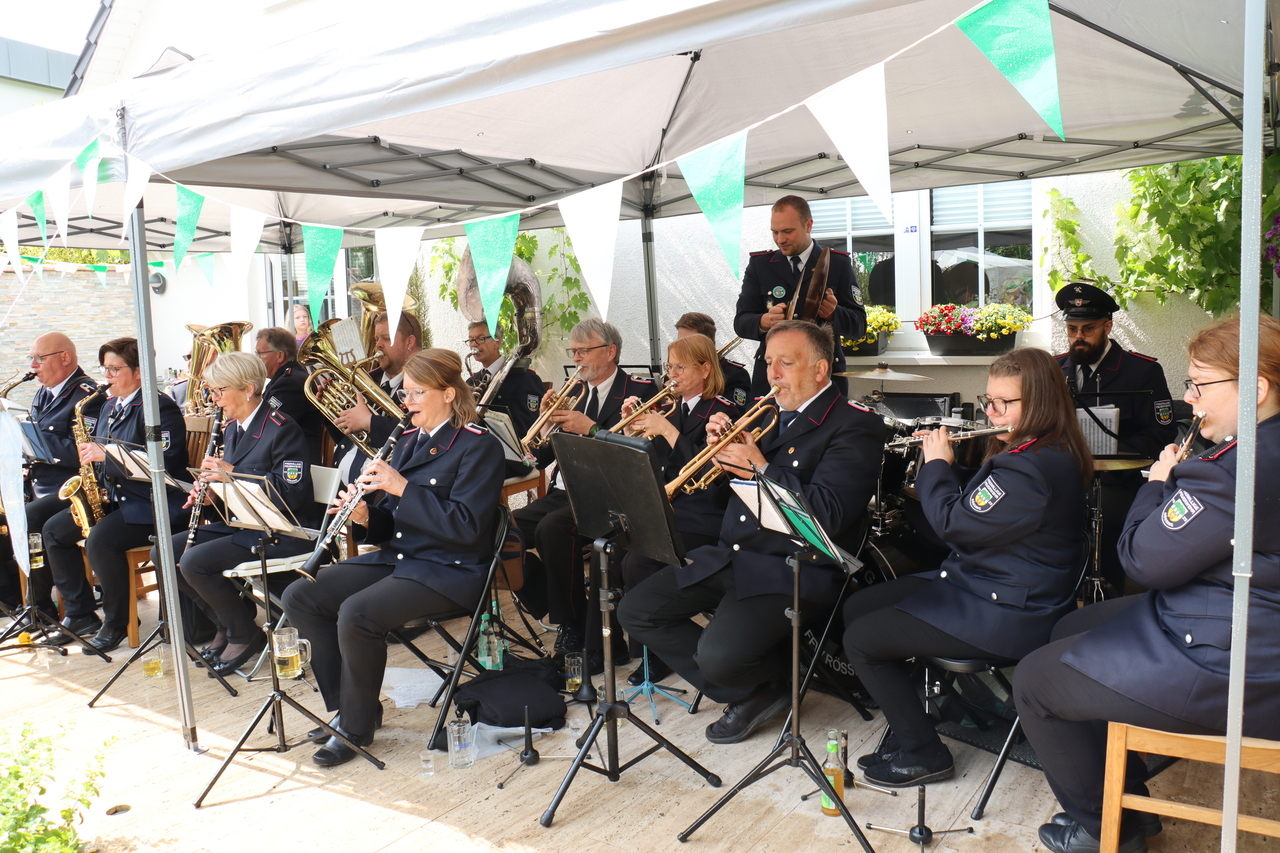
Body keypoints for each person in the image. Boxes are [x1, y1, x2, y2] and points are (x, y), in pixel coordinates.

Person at [1014, 316, 1280, 853]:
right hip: (1244, 618)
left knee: (1034, 681)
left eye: (1198, 385)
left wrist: (1158, 484)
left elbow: (1141, 560)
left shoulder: (1232, 472)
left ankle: (1108, 829)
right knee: (1070, 627)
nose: (1189, 399)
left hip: (1234, 662)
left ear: (1255, 389)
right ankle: (1120, 789)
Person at [619, 320, 883, 744]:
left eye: (785, 363)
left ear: (820, 369)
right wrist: (720, 455)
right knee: (636, 611)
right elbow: (722, 492)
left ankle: (765, 679)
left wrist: (759, 466)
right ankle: (760, 689)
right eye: (768, 362)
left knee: (717, 658)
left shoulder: (854, 425)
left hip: (794, 569)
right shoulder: (767, 411)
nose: (772, 373)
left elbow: (829, 516)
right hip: (735, 555)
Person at [842, 347, 1092, 787]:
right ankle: (919, 714)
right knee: (859, 607)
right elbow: (986, 502)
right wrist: (948, 470)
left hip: (1008, 610)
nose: (991, 412)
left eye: (1003, 403)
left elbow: (953, 526)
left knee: (860, 640)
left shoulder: (1029, 467)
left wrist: (936, 466)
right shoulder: (1044, 450)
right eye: (988, 400)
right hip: (985, 583)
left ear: (1039, 403)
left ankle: (924, 753)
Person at [282, 349, 504, 767]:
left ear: (449, 394)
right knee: (300, 596)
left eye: (418, 393)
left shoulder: (478, 446)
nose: (407, 401)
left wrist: (402, 488)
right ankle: (350, 708)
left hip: (449, 570)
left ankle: (355, 729)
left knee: (357, 613)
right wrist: (366, 516)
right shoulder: (406, 441)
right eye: (406, 393)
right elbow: (391, 524)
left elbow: (468, 527)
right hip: (401, 558)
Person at [151, 352, 317, 677]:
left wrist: (232, 475)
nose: (214, 399)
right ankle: (227, 622)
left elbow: (292, 495)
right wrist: (212, 495)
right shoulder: (232, 428)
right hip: (244, 524)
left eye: (220, 390)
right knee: (164, 552)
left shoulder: (282, 428)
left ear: (249, 389)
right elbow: (234, 495)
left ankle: (243, 633)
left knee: (193, 562)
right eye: (212, 391)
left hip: (282, 530)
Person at [512, 318, 654, 670]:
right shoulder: (575, 391)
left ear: (610, 352)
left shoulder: (639, 391)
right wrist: (546, 425)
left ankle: (571, 625)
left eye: (583, 351)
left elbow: (636, 456)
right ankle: (558, 604)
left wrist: (591, 429)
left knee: (552, 529)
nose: (576, 358)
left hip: (606, 494)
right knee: (501, 531)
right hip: (565, 491)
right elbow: (542, 458)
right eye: (573, 351)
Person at [43, 337, 189, 654]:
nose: (107, 376)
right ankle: (80, 614)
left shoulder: (158, 406)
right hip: (119, 498)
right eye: (104, 369)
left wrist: (106, 454)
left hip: (151, 504)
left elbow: (163, 462)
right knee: (53, 531)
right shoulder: (110, 405)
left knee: (101, 540)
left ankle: (118, 622)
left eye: (114, 369)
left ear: (139, 371)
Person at [617, 333, 736, 686]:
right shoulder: (674, 408)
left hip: (705, 516)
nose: (672, 375)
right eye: (669, 367)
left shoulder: (723, 410)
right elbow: (654, 464)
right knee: (609, 548)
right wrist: (635, 430)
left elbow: (709, 473)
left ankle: (654, 655)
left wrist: (666, 430)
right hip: (671, 507)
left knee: (638, 561)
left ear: (705, 369)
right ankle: (618, 646)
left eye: (680, 367)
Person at [1054, 282, 1178, 595]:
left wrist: (1108, 451)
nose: (1079, 337)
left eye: (1088, 329)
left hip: (1116, 479)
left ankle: (1106, 597)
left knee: (1106, 516)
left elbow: (1161, 433)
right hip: (1063, 474)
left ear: (1107, 327)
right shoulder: (1054, 369)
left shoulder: (1143, 371)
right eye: (1072, 329)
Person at [733, 195, 866, 399]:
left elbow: (859, 326)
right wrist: (765, 321)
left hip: (821, 377)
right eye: (775, 232)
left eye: (788, 231)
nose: (780, 239)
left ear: (808, 225)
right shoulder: (760, 265)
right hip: (773, 377)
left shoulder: (837, 264)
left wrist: (834, 314)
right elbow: (741, 322)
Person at [14, 333, 105, 619]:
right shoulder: (44, 391)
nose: (33, 365)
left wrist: (34, 443)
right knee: (13, 517)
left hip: (74, 487)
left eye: (39, 358)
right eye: (31, 358)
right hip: (43, 484)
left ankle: (48, 607)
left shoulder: (89, 395)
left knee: (33, 519)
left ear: (65, 358)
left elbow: (90, 451)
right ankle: (31, 602)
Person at [464, 319, 545, 469]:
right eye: (471, 340)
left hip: (509, 459)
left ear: (497, 341)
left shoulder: (524, 379)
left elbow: (525, 429)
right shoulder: (471, 382)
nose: (474, 344)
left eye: (481, 339)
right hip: (476, 454)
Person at [254, 327, 326, 465]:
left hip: (293, 462)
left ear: (280, 356)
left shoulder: (289, 383)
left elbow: (266, 425)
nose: (257, 359)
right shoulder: (286, 378)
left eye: (260, 354)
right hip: (285, 457)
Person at [674, 312, 751, 410]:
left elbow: (733, 412)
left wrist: (689, 392)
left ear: (707, 343)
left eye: (688, 343)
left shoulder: (735, 374)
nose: (681, 348)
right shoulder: (675, 370)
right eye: (679, 342)